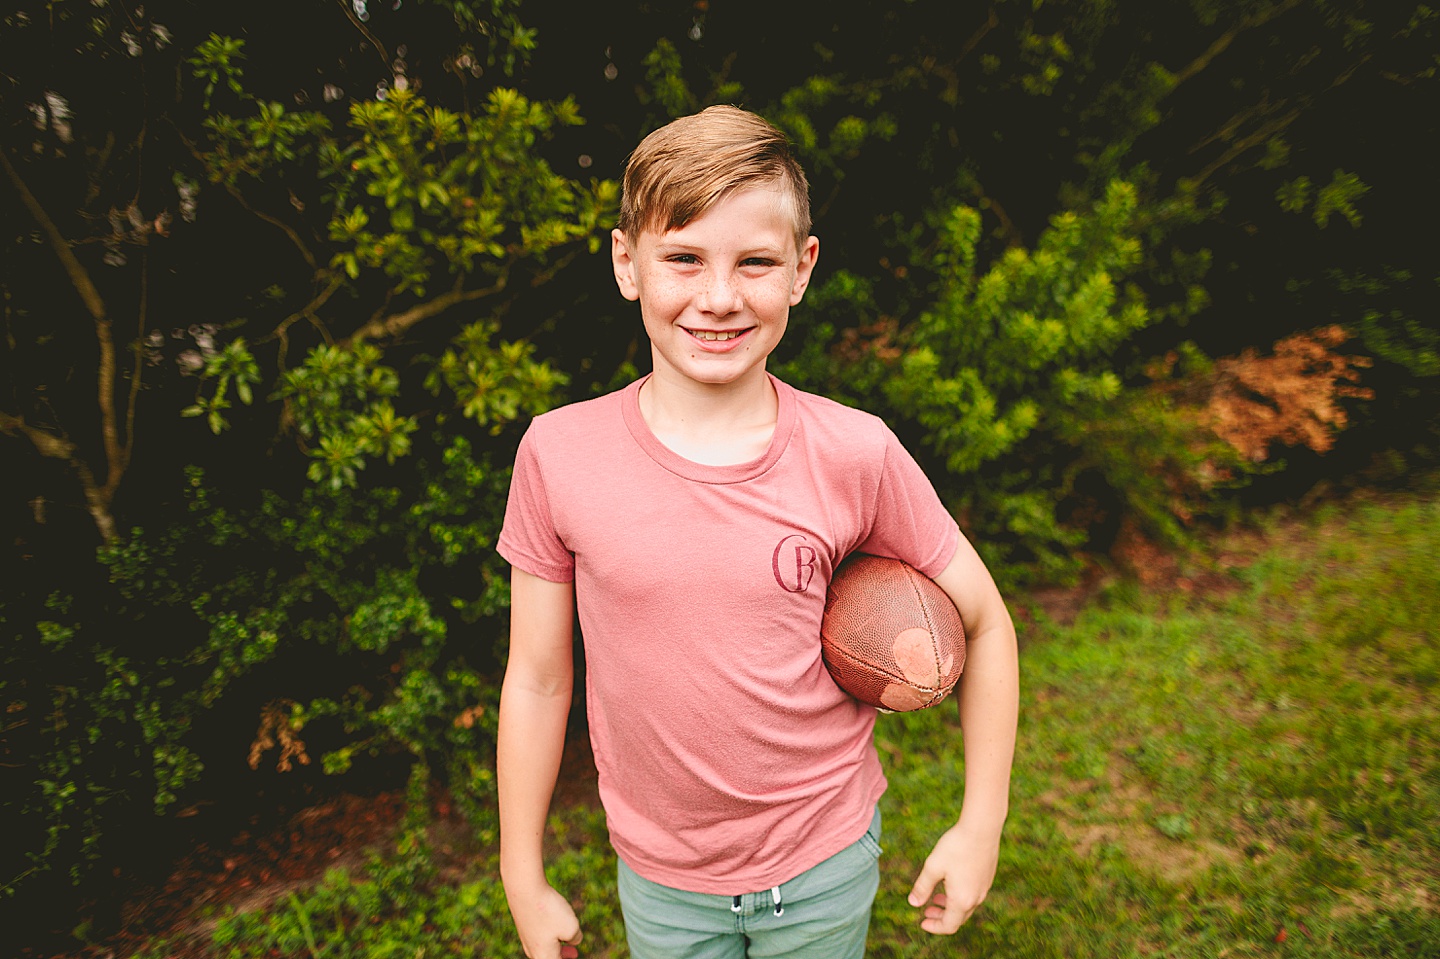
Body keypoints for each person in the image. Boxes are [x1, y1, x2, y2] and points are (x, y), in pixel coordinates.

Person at [496, 104, 1018, 959]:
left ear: (802, 269)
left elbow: (989, 623)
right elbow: (540, 678)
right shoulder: (558, 453)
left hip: (825, 860)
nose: (719, 297)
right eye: (684, 258)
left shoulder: (854, 451)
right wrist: (523, 870)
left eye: (755, 262)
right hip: (664, 879)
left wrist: (980, 823)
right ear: (627, 262)